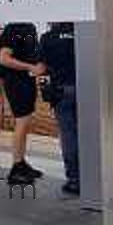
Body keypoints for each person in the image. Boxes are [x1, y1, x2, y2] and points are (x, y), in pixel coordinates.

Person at [0, 22, 44, 185]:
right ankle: (16, 168)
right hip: (16, 81)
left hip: (26, 79)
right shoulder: (14, 28)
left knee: (25, 121)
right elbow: (4, 59)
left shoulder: (29, 27)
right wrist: (30, 67)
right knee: (21, 122)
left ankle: (21, 163)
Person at [36, 22, 80, 195]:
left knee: (68, 136)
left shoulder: (47, 38)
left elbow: (40, 69)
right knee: (89, 134)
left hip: (61, 91)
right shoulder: (83, 34)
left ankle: (75, 180)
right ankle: (94, 176)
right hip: (87, 90)